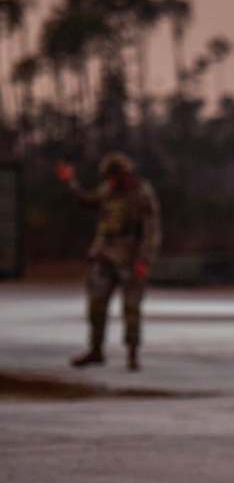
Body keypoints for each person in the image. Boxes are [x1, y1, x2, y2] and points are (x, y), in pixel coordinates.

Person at [56, 152, 161, 371]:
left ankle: (132, 353)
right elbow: (84, 201)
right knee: (96, 304)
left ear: (124, 175)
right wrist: (68, 181)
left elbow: (151, 232)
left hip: (129, 260)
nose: (110, 180)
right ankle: (96, 350)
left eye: (113, 176)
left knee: (131, 308)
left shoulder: (141, 194)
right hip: (103, 257)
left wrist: (143, 260)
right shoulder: (108, 191)